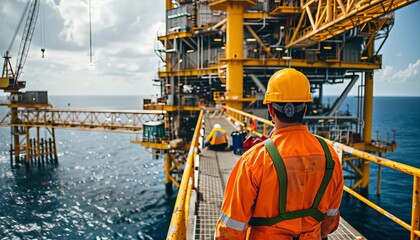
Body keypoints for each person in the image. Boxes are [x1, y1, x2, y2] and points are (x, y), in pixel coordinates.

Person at [215, 68, 344, 240]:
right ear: (305, 109)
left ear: (271, 109)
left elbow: (231, 228)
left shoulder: (254, 160)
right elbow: (330, 220)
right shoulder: (330, 156)